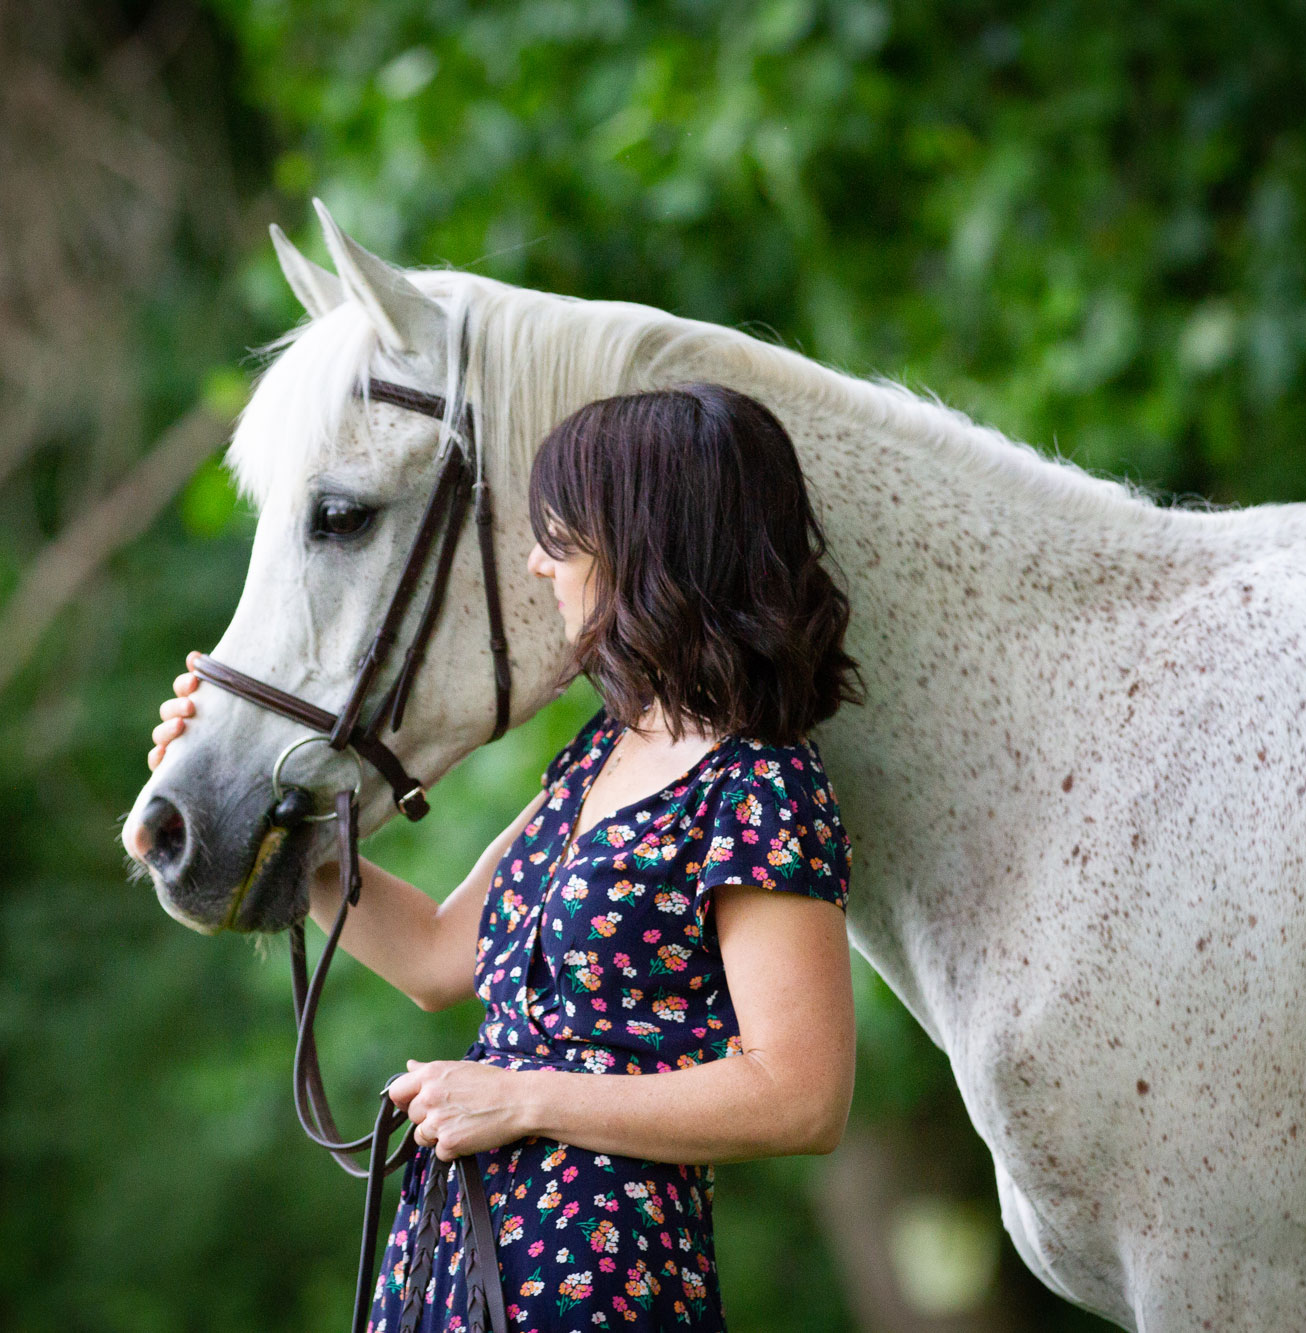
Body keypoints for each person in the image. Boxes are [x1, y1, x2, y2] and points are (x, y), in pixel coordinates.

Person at [146, 382, 863, 1332]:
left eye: (562, 537)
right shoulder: (598, 757)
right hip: (454, 1264)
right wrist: (275, 828)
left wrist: (523, 1099)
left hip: (605, 1285)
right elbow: (439, 955)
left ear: (648, 543)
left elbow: (802, 1095)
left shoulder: (758, 783)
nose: (536, 563)